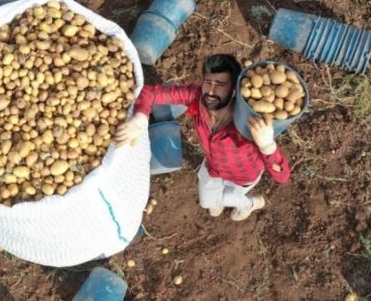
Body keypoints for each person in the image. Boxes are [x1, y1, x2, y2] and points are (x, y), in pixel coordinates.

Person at [114, 54, 290, 221]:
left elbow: (282, 177)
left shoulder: (250, 124)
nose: (211, 92)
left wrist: (267, 146)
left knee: (232, 196)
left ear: (235, 89)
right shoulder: (197, 96)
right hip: (212, 168)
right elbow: (149, 92)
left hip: (243, 177)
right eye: (208, 82)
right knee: (209, 203)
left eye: (220, 84)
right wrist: (140, 117)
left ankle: (250, 204)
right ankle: (218, 201)